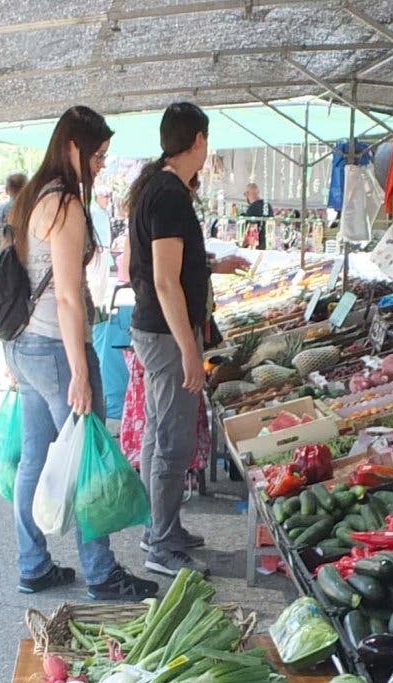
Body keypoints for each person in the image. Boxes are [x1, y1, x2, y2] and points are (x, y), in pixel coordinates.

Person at [3, 106, 158, 600]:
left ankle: (33, 564)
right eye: (96, 155)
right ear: (72, 147)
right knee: (89, 458)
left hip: (25, 344)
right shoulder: (66, 204)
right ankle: (102, 573)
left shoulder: (30, 197)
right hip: (54, 347)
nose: (100, 166)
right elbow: (69, 296)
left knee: (34, 458)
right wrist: (80, 373)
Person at [126, 102, 247, 577]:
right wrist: (190, 349)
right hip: (165, 333)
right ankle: (160, 544)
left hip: (158, 330)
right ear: (197, 140)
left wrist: (215, 266)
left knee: (161, 434)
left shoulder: (159, 187)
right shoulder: (169, 194)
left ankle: (163, 528)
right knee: (172, 442)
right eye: (207, 140)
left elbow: (174, 266)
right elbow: (164, 281)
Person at [242, 182, 273, 249]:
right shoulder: (268, 206)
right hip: (268, 244)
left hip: (256, 246)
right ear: (258, 192)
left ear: (247, 194)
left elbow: (249, 232)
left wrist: (243, 246)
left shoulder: (252, 209)